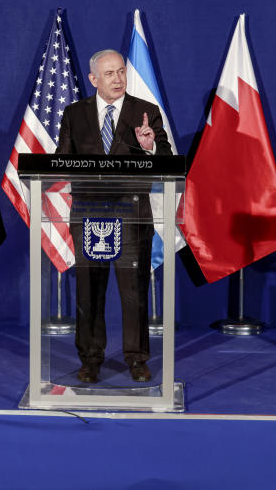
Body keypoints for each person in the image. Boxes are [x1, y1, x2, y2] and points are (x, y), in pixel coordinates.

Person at [57, 49, 172, 384]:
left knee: (133, 290)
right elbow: (61, 162)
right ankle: (90, 359)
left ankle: (136, 359)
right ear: (94, 79)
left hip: (132, 212)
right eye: (109, 73)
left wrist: (149, 147)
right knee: (89, 291)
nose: (118, 78)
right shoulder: (74, 114)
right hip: (89, 214)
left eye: (121, 71)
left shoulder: (145, 112)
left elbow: (166, 161)